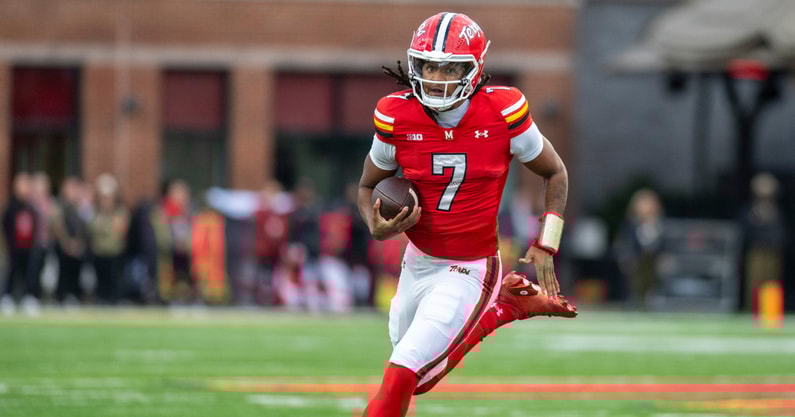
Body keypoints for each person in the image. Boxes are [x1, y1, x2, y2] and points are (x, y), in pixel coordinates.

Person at [356, 13, 577, 417]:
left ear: (473, 70)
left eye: (450, 68)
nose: (436, 78)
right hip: (417, 260)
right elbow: (367, 186)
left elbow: (555, 171)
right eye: (428, 66)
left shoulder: (503, 111)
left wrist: (547, 242)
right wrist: (375, 224)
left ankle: (501, 304)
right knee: (416, 378)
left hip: (471, 265)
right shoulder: (395, 115)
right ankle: (505, 307)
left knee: (402, 373)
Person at [614, 188, 665, 310]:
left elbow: (663, 246)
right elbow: (625, 243)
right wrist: (626, 257)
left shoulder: (659, 226)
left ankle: (651, 295)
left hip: (653, 263)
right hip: (636, 261)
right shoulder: (631, 225)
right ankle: (635, 296)